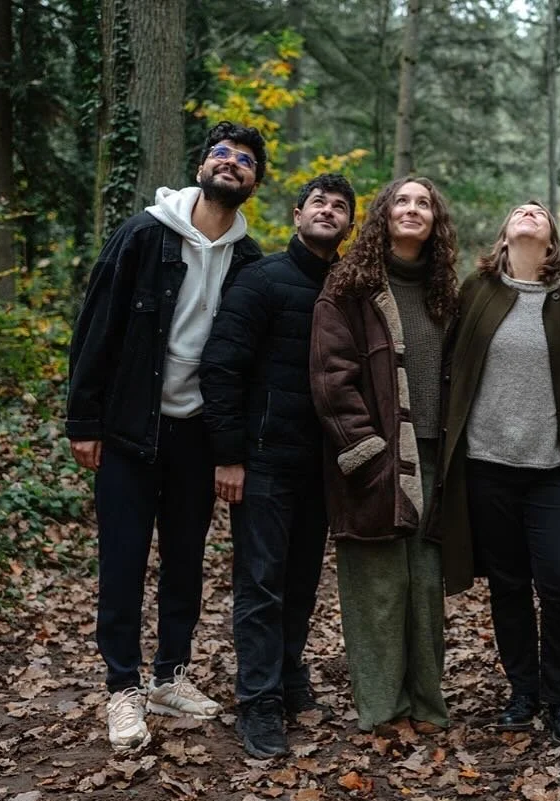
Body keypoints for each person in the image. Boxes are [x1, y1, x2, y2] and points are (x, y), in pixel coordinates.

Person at [66, 121, 267, 752]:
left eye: (244, 160)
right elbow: (97, 324)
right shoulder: (143, 234)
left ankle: (169, 676)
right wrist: (84, 419)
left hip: (199, 435)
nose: (230, 163)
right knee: (123, 563)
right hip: (132, 429)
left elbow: (248, 361)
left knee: (184, 561)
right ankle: (121, 689)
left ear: (255, 181)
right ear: (202, 166)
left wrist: (233, 447)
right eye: (221, 154)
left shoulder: (250, 259)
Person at [200, 174, 356, 758]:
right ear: (297, 215)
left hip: (322, 466)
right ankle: (258, 703)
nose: (329, 211)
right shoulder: (262, 278)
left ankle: (289, 677)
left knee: (300, 583)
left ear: (348, 225)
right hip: (263, 463)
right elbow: (221, 367)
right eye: (319, 202)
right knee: (261, 583)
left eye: (340, 207)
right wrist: (229, 456)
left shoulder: (347, 288)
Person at [440, 201, 560, 746]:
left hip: (551, 467)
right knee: (507, 584)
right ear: (504, 233)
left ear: (551, 238)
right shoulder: (477, 290)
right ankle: (522, 693)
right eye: (519, 210)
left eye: (539, 211)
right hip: (485, 465)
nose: (529, 213)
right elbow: (451, 364)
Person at [309, 177, 460, 736]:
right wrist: (365, 450)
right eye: (403, 200)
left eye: (424, 203)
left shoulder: (447, 292)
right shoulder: (350, 287)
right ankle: (381, 707)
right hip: (373, 456)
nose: (413, 209)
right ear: (383, 214)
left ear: (435, 220)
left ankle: (426, 703)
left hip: (433, 457)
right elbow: (331, 377)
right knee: (376, 587)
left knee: (424, 587)